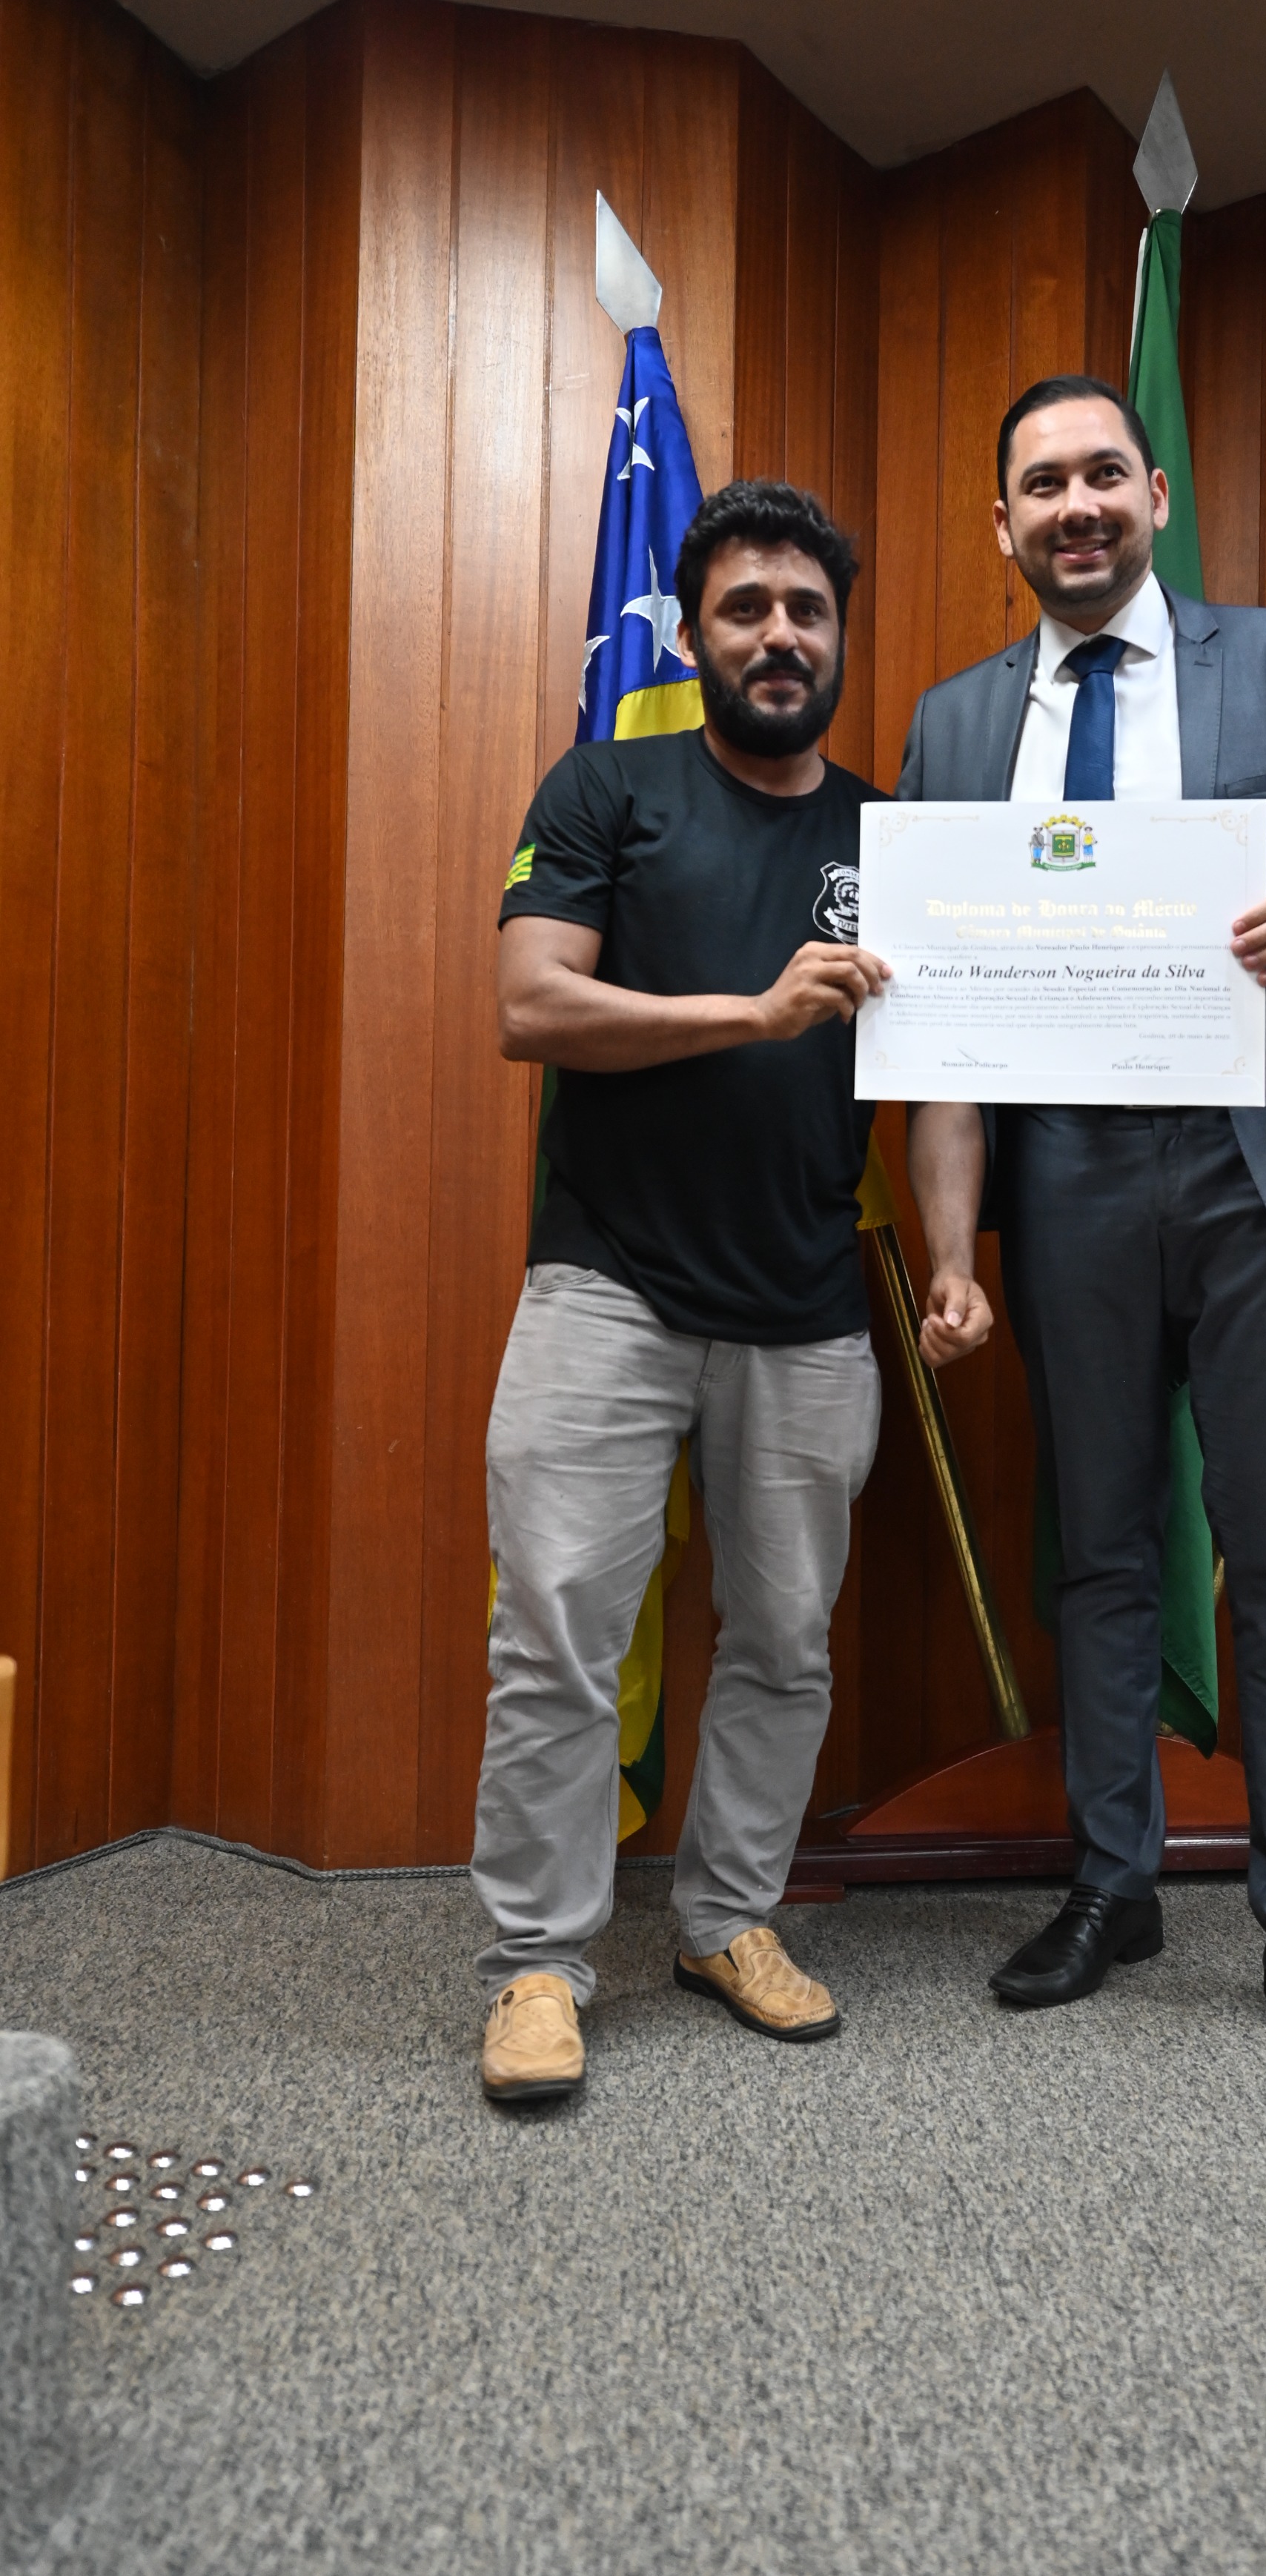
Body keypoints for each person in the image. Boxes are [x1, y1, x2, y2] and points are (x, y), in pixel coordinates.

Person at [903, 375, 1266, 2082]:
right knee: (1102, 1554)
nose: (1073, 506)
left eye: (1100, 476)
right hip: (1065, 1175)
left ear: (1151, 492)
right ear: (1001, 523)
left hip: (1255, 1169)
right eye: (1039, 485)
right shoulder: (949, 727)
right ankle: (1110, 1883)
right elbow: (936, 1011)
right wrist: (951, 1245)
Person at [471, 479, 889, 2102]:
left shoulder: (894, 838)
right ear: (697, 635)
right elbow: (530, 1007)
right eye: (746, 609)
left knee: (785, 1643)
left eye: (807, 611)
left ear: (838, 638)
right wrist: (752, 1015)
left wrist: (944, 1264)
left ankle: (727, 1923)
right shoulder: (605, 787)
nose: (779, 635)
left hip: (809, 1303)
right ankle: (537, 1963)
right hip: (608, 1290)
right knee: (557, 1636)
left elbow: (941, 1078)